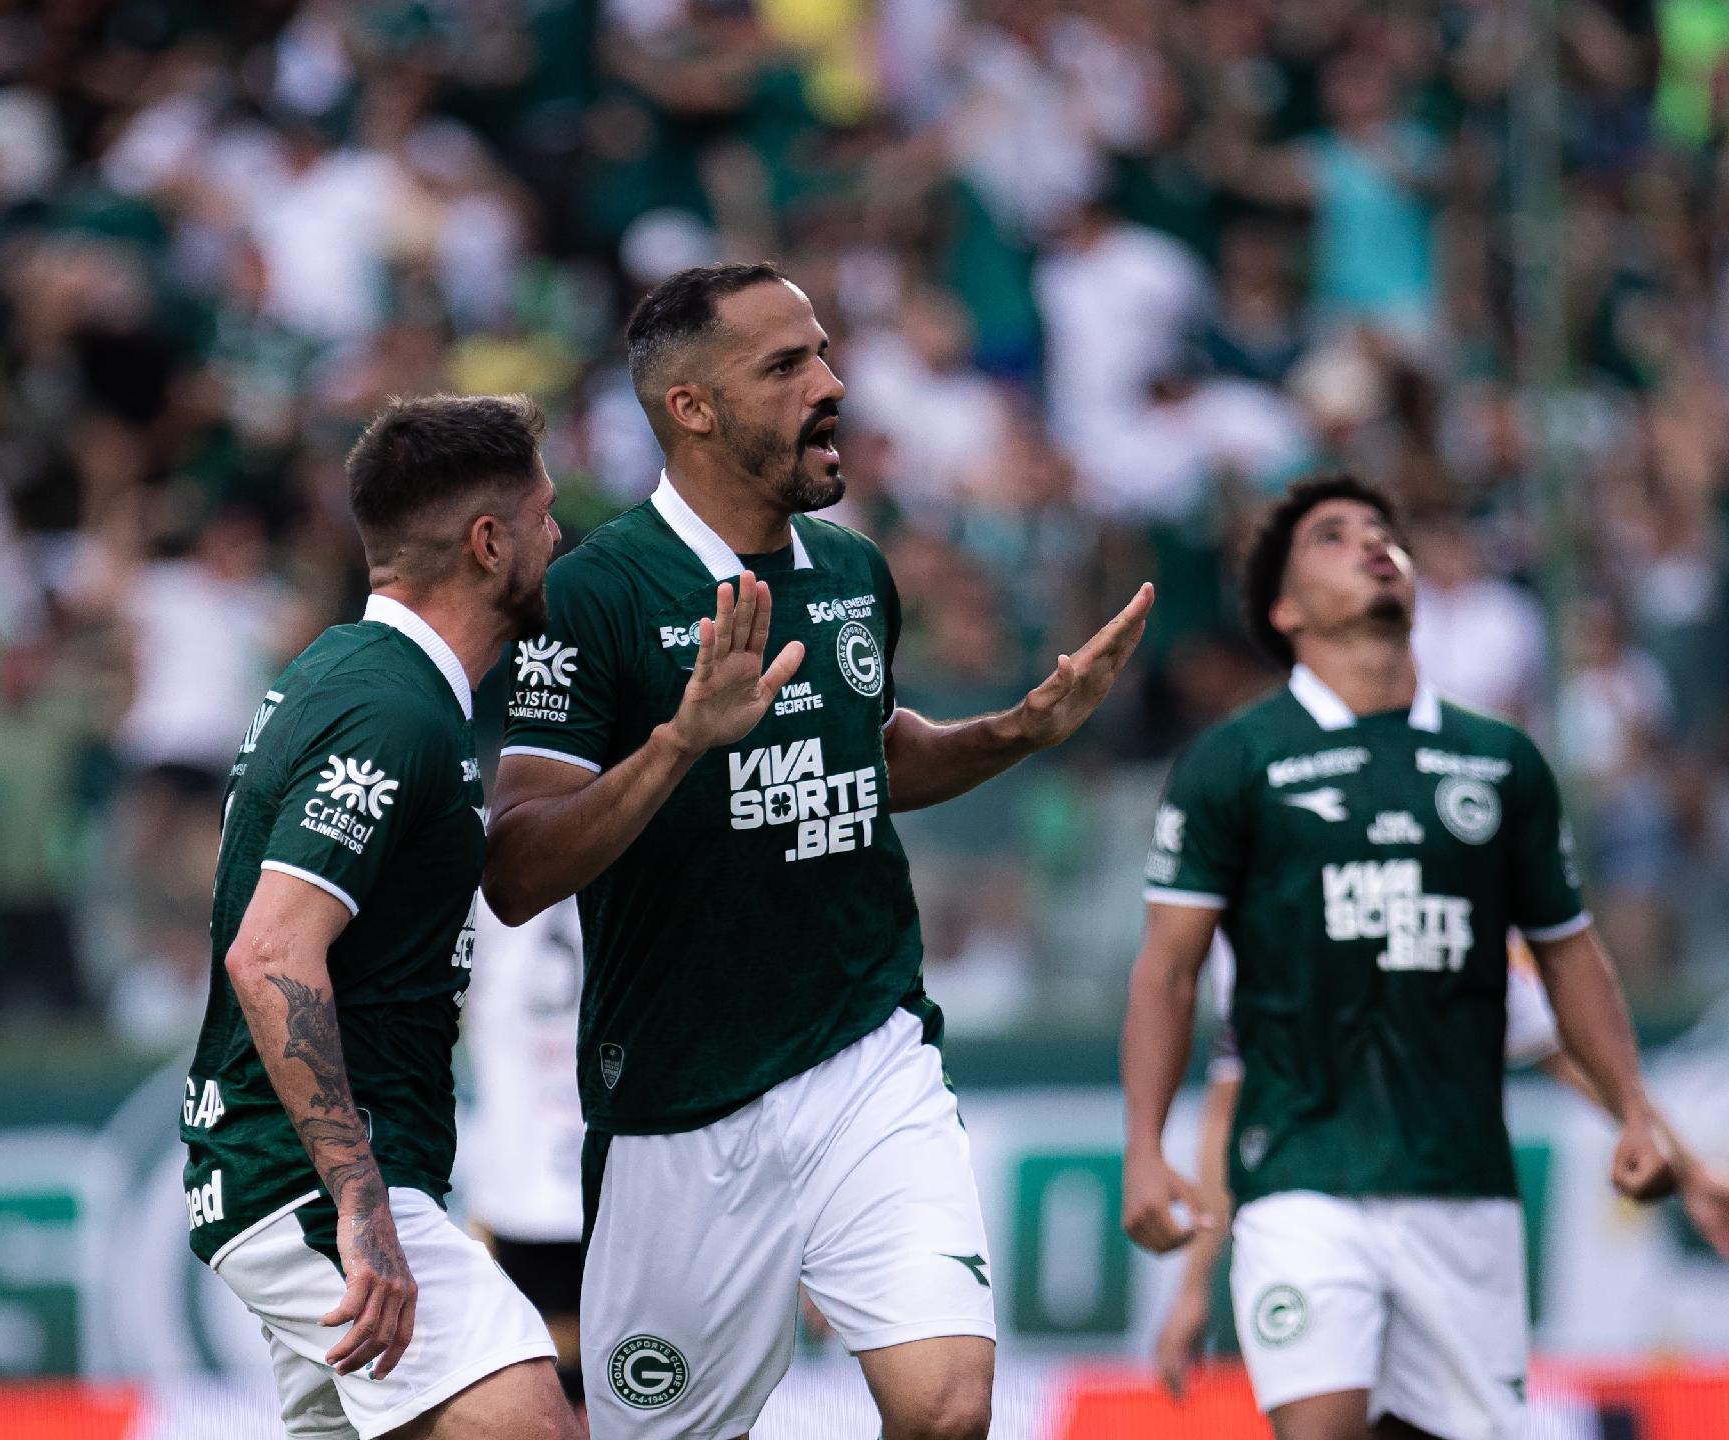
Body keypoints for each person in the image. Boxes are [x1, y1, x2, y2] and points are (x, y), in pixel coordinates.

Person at [483, 261, 1153, 1440]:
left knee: (947, 1405)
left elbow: (869, 753)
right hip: (680, 1105)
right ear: (691, 408)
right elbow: (519, 863)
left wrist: (1017, 732)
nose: (831, 384)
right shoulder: (590, 597)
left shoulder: (851, 573)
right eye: (787, 366)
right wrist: (682, 742)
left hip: (867, 1050)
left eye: (826, 355)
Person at [1120, 473, 1682, 1440]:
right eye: (1335, 537)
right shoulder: (1234, 764)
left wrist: (1637, 1109)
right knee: (1325, 1424)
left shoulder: (1501, 762)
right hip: (1297, 1178)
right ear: (1287, 610)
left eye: (1385, 531)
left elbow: (1568, 957)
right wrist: (1143, 1153)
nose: (1375, 544)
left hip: (1462, 1191)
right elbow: (1170, 975)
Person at [180, 394, 580, 1440]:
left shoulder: (358, 679)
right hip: (310, 1183)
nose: (559, 536)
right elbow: (269, 954)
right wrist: (360, 1203)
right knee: (537, 1419)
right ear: (490, 543)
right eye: (543, 515)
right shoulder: (392, 710)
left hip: (309, 1176)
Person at [1151, 936, 1729, 1399]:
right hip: (1313, 1222)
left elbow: (1574, 1053)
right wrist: (1194, 1283)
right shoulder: (1258, 907)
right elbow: (1232, 1113)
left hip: (1442, 1227)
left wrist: (1690, 1167)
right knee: (1325, 1412)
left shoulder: (1448, 885)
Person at [460, 893, 589, 1413]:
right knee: (638, 1386)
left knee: (545, 1396)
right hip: (615, 1175)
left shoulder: (480, 854)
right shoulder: (642, 825)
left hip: (523, 1181)